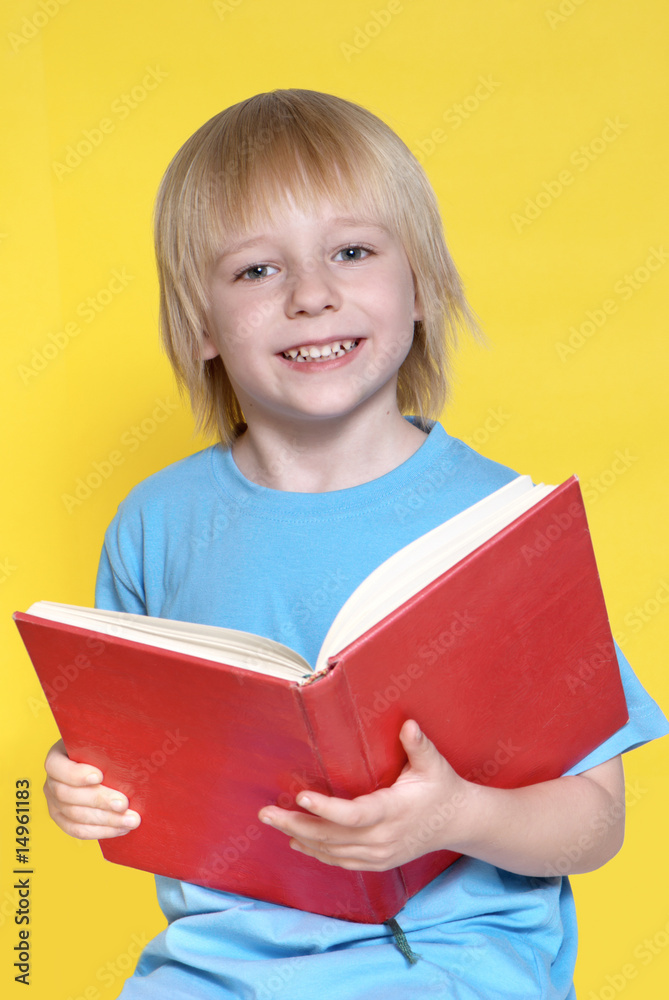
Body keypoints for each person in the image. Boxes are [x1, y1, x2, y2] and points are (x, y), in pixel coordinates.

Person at [43, 89, 668, 999]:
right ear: (201, 323)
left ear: (421, 286)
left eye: (351, 252)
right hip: (215, 973)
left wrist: (455, 816)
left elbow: (595, 824)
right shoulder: (155, 524)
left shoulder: (502, 520)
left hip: (449, 970)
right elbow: (131, 761)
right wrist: (77, 786)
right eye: (256, 270)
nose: (310, 296)